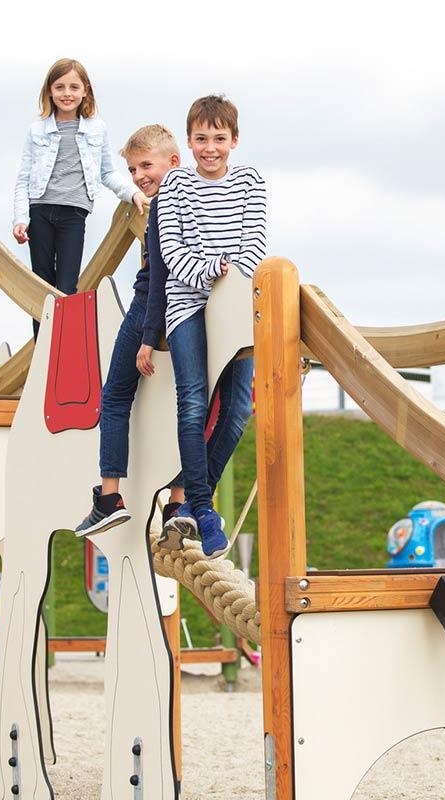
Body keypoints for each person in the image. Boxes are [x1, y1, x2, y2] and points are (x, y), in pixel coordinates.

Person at [73, 125, 257, 544]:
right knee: (201, 406)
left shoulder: (167, 202)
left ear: (174, 162)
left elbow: (159, 278)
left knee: (116, 396)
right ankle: (179, 502)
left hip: (154, 306)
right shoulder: (188, 195)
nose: (139, 176)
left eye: (145, 166)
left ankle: (110, 496)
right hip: (195, 302)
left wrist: (148, 335)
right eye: (133, 170)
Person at [156, 94, 266, 557]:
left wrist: (228, 279)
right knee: (193, 401)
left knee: (238, 407)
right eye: (201, 139)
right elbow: (172, 250)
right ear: (188, 141)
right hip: (187, 304)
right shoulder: (176, 185)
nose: (210, 148)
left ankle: (191, 497)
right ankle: (202, 508)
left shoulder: (250, 181)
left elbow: (254, 244)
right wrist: (210, 271)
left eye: (219, 139)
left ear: (234, 140)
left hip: (235, 304)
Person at [12, 58, 143, 333]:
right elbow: (23, 178)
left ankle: (62, 343)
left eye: (74, 87)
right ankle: (42, 346)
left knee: (67, 286)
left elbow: (108, 172)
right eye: (59, 87)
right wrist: (20, 219)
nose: (67, 93)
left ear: (85, 91)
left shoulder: (96, 128)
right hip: (40, 209)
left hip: (73, 212)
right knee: (41, 283)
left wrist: (133, 193)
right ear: (49, 91)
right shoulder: (37, 129)